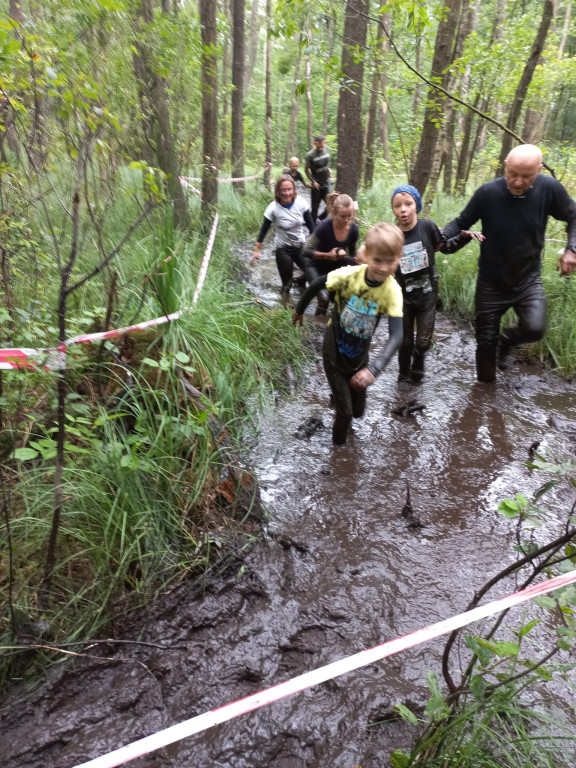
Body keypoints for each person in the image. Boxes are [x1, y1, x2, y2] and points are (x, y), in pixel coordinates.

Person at [443, 143, 576, 383]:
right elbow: (461, 222)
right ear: (505, 166)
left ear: (539, 169)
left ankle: (506, 341)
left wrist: (571, 249)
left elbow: (574, 215)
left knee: (535, 328)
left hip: (527, 280)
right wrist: (439, 237)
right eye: (512, 174)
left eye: (526, 176)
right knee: (484, 347)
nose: (517, 181)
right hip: (491, 283)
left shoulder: (549, 189)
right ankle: (484, 398)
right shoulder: (488, 193)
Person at [292, 222, 404, 445]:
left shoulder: (392, 291)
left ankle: (339, 397)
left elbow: (397, 335)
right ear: (365, 255)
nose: (382, 268)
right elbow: (316, 283)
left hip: (360, 357)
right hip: (333, 351)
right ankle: (338, 455)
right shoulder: (349, 275)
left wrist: (373, 370)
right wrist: (299, 309)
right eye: (377, 260)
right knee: (345, 413)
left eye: (390, 262)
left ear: (399, 258)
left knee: (358, 412)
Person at [391, 184, 480, 382]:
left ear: (417, 206)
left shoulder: (428, 227)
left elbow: (444, 247)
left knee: (422, 342)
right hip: (402, 297)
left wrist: (463, 238)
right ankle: (403, 374)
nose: (403, 209)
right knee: (404, 342)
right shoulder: (392, 234)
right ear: (393, 210)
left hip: (427, 295)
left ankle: (419, 360)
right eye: (397, 206)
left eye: (408, 204)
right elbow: (385, 264)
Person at [251, 174, 314, 307]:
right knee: (287, 285)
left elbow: (311, 227)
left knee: (312, 274)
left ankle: (302, 295)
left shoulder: (301, 202)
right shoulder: (273, 208)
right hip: (283, 249)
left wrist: (320, 246)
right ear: (278, 192)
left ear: (294, 189)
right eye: (283, 190)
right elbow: (263, 230)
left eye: (290, 189)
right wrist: (257, 250)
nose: (287, 193)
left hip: (300, 246)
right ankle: (286, 310)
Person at [301, 193, 360, 315]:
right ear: (334, 214)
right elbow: (305, 251)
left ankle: (331, 327)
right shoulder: (324, 227)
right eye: (342, 216)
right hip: (315, 266)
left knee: (337, 300)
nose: (346, 220)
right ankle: (315, 329)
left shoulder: (354, 230)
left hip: (335, 267)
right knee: (324, 300)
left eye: (350, 216)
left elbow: (353, 254)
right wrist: (327, 255)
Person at [305, 134, 332, 223]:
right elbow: (306, 170)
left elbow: (325, 163)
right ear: (315, 143)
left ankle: (321, 219)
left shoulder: (327, 149)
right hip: (316, 184)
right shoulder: (310, 155)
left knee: (330, 205)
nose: (320, 148)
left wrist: (328, 169)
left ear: (324, 143)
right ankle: (312, 229)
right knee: (315, 208)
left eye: (322, 146)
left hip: (326, 182)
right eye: (318, 146)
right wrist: (313, 182)